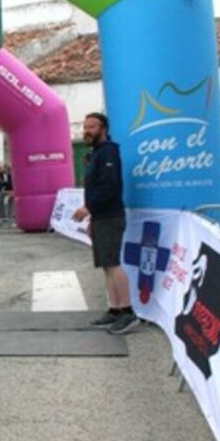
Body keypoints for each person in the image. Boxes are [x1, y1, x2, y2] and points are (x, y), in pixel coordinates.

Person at [72, 112, 137, 335]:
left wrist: (88, 208)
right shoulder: (96, 154)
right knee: (106, 265)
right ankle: (115, 310)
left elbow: (110, 187)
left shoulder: (108, 152)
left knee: (113, 263)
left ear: (104, 129)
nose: (87, 131)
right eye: (85, 127)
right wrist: (92, 218)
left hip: (110, 216)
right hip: (101, 217)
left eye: (92, 127)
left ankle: (128, 312)